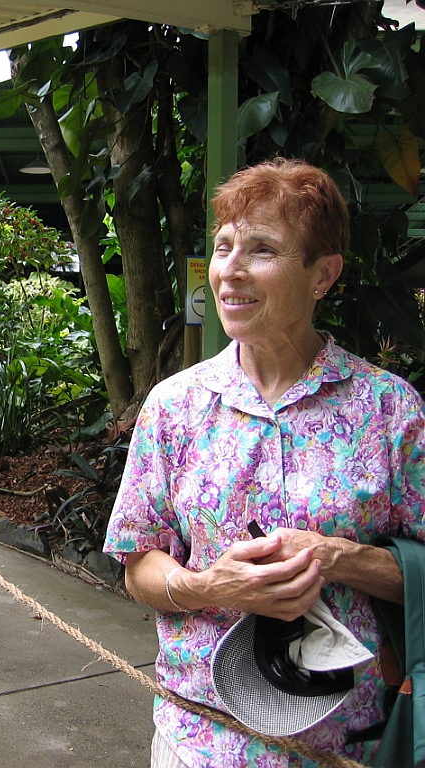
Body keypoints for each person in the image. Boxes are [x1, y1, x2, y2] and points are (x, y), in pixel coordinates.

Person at [103, 158, 425, 768]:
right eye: (224, 248)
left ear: (322, 274)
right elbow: (137, 559)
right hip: (199, 738)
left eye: (262, 250)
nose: (230, 271)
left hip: (343, 746)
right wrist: (203, 586)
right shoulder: (176, 405)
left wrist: (339, 557)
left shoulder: (389, 409)